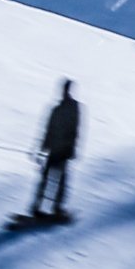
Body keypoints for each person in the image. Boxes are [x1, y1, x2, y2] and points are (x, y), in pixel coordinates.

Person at [33, 81, 80, 224]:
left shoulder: (71, 109)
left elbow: (74, 131)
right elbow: (49, 129)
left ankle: (54, 207)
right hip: (55, 150)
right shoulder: (59, 109)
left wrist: (70, 150)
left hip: (62, 151)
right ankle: (40, 208)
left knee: (57, 181)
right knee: (49, 180)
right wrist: (42, 150)